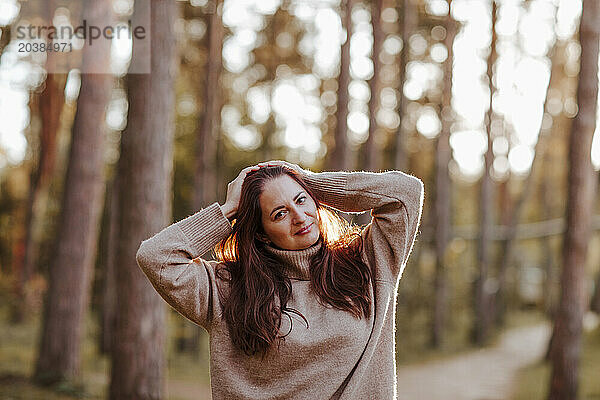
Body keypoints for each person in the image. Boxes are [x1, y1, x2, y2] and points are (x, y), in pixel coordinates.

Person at [136, 160, 424, 400]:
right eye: (280, 213)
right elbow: (156, 256)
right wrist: (228, 211)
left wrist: (310, 181)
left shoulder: (366, 262)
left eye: (301, 201)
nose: (299, 217)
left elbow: (405, 192)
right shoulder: (226, 287)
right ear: (261, 232)